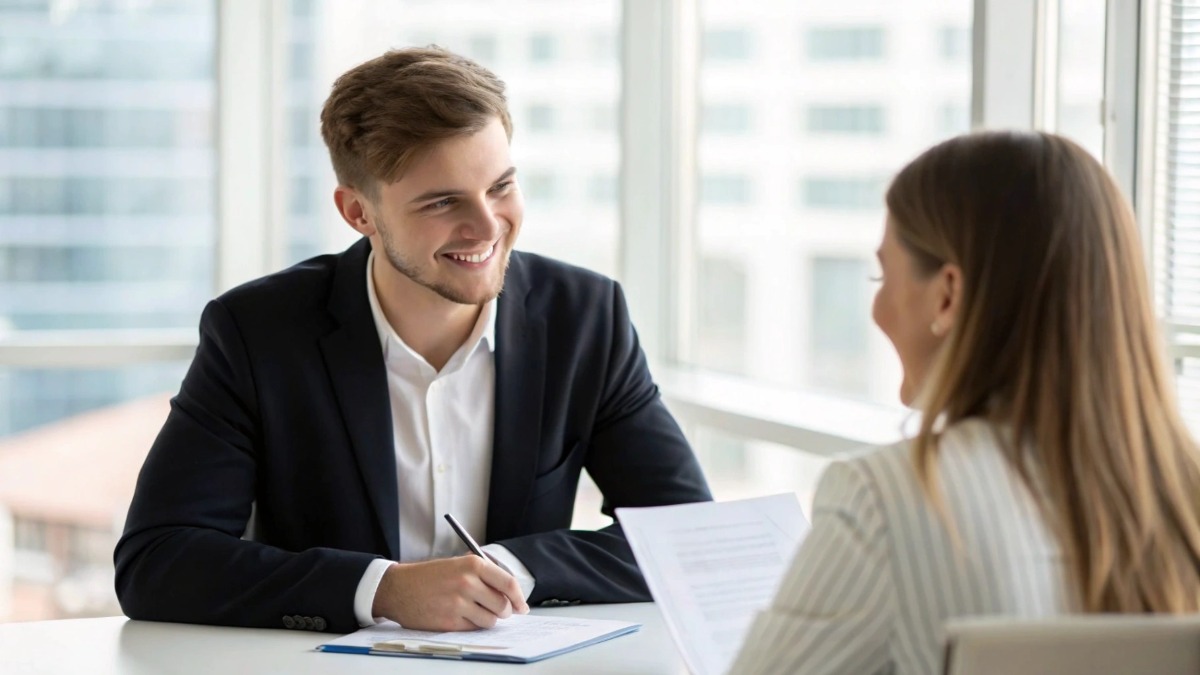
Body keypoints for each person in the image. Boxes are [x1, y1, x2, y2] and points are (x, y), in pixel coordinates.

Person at [113, 46, 712, 635]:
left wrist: (507, 572)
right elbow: (157, 561)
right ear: (359, 213)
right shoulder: (257, 331)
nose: (486, 226)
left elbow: (688, 536)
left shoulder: (586, 318)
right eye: (443, 202)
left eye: (501, 186)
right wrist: (384, 589)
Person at [730, 131, 1200, 674]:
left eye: (883, 276)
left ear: (947, 295)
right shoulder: (1183, 492)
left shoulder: (886, 498)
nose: (878, 306)